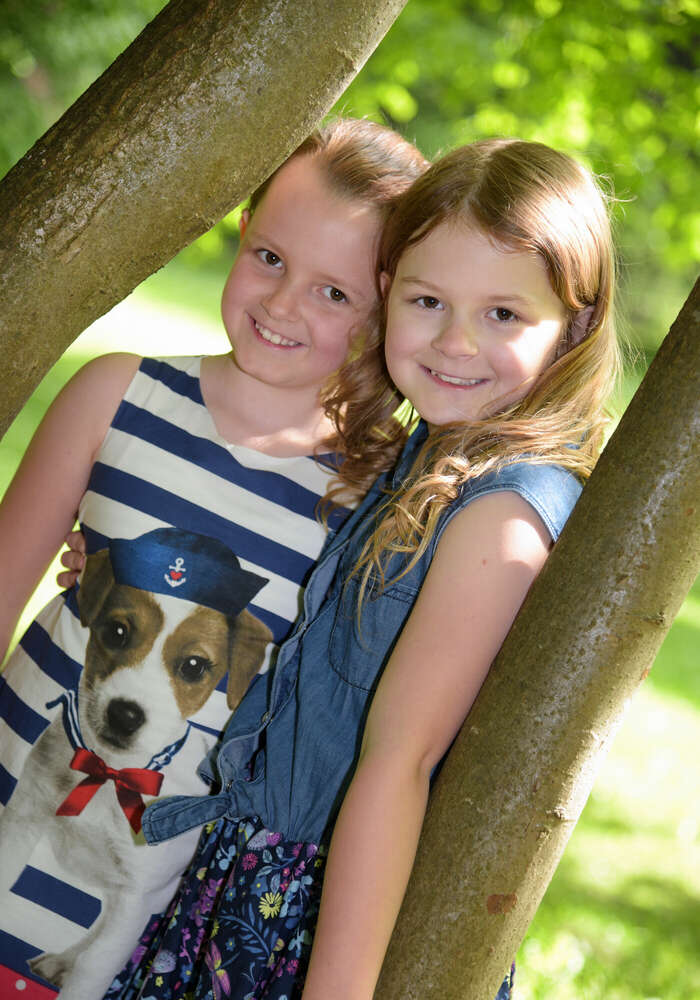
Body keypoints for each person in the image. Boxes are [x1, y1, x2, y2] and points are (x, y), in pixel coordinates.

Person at [100, 137, 620, 1000]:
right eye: (428, 301)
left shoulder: (499, 516)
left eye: (503, 315)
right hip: (262, 891)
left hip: (325, 927)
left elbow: (399, 763)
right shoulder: (431, 461)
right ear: (388, 299)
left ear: (575, 324)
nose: (455, 342)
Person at [0, 118, 427, 999]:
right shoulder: (116, 393)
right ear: (241, 231)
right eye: (269, 257)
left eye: (334, 293)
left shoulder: (370, 497)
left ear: (386, 310)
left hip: (138, 921)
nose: (282, 304)